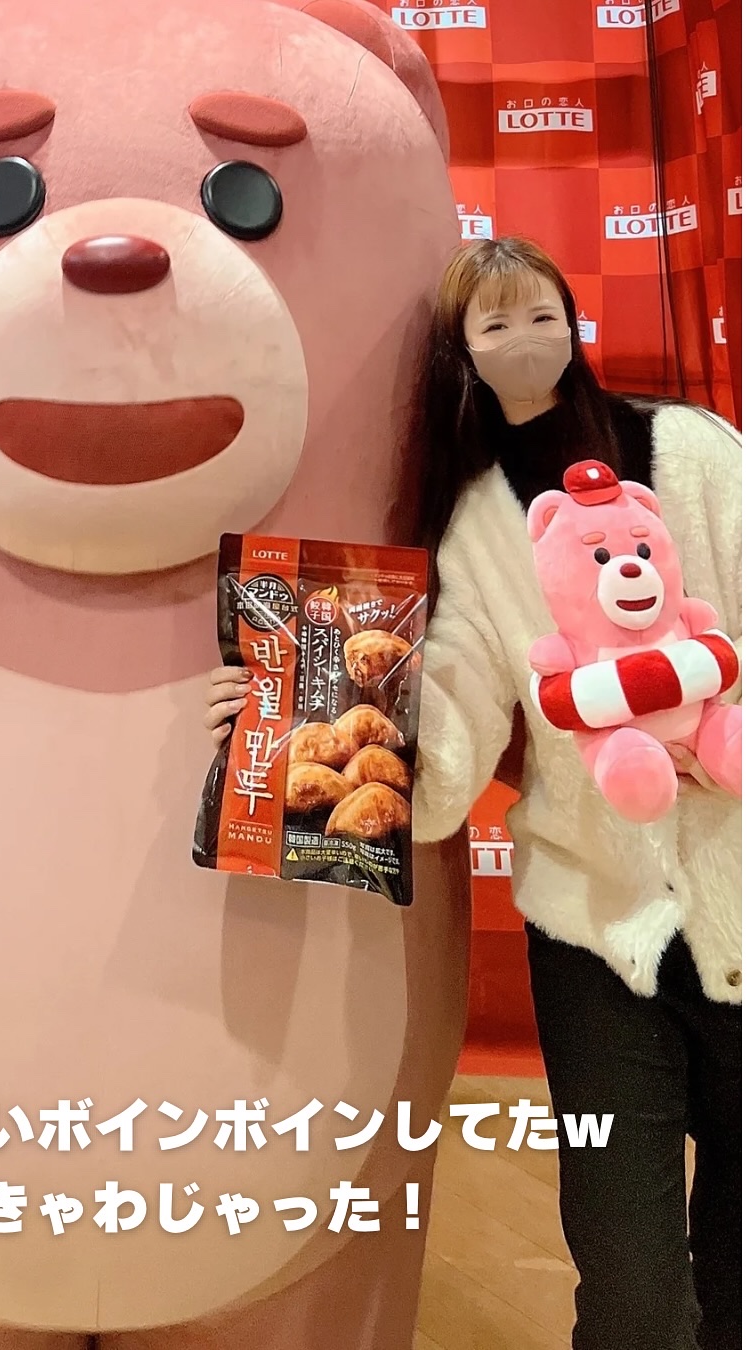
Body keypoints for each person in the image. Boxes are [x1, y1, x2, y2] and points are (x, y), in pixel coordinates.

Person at [202, 236, 741, 1350]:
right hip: (596, 936)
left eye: (542, 312)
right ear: (463, 354)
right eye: (494, 324)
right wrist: (283, 715)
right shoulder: (485, 522)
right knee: (633, 1289)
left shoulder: (693, 454)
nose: (526, 339)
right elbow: (444, 754)